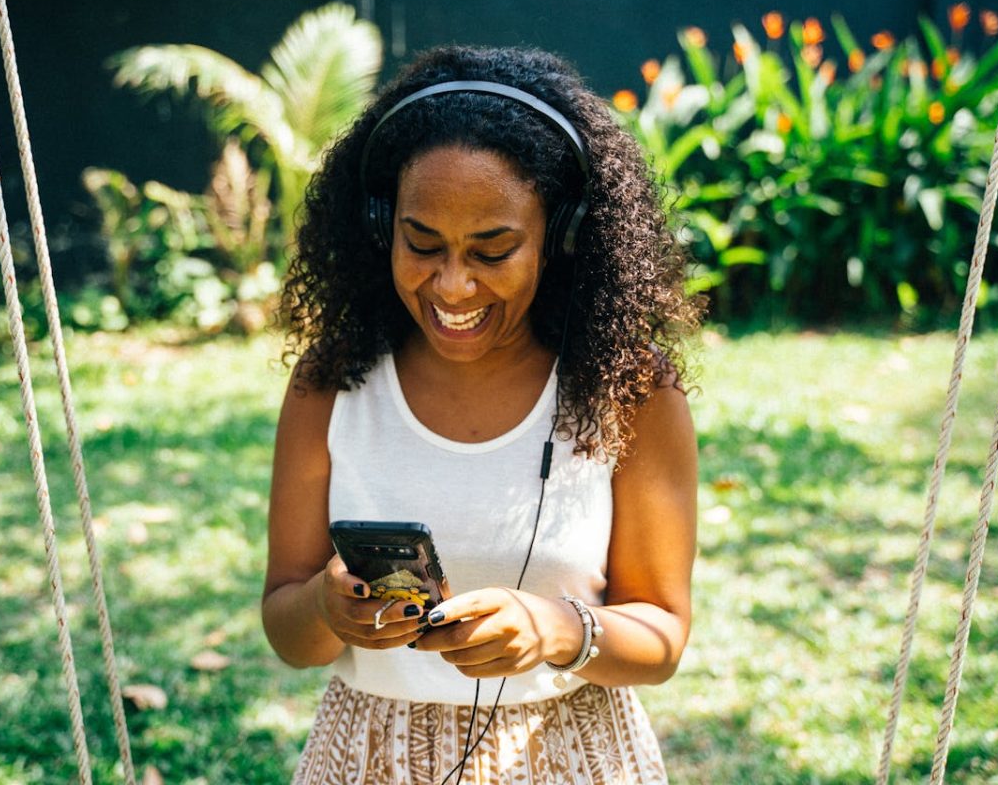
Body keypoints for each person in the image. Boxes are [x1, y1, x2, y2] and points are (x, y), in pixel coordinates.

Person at [262, 45, 701, 784]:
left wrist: (558, 628)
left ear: (560, 240)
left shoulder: (630, 389)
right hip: (370, 758)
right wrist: (327, 609)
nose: (453, 286)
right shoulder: (330, 384)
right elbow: (287, 627)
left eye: (493, 251)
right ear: (380, 226)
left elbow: (661, 636)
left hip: (572, 758)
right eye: (422, 243)